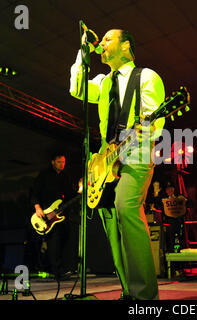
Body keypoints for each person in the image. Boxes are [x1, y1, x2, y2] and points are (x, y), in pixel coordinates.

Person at [70, 28, 165, 300]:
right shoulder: (101, 81)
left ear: (125, 46)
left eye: (108, 39)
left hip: (135, 155)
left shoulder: (146, 76)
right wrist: (83, 52)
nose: (103, 42)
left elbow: (156, 123)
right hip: (104, 162)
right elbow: (76, 89)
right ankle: (128, 291)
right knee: (112, 228)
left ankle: (145, 297)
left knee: (126, 208)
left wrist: (134, 137)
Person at [30, 152, 76, 280]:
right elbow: (35, 191)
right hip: (44, 213)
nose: (62, 165)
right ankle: (57, 272)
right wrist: (37, 207)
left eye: (63, 162)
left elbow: (69, 195)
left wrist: (80, 191)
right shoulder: (44, 175)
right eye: (59, 162)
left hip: (59, 215)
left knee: (62, 240)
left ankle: (54, 269)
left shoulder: (65, 177)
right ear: (53, 162)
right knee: (53, 243)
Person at [161, 182, 188, 253]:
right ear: (166, 191)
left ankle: (182, 253)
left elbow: (190, 205)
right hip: (169, 223)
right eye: (168, 189)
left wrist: (185, 201)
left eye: (171, 189)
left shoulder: (179, 198)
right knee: (170, 240)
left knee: (181, 239)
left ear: (173, 189)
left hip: (179, 222)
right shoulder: (163, 200)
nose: (170, 190)